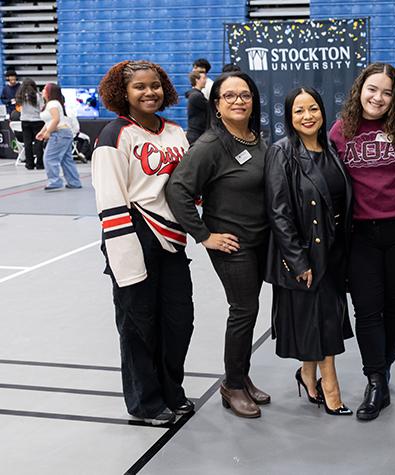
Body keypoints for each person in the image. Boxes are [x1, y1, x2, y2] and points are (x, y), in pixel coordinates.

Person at [91, 60, 194, 426]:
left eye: (155, 85)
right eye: (140, 87)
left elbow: (186, 188)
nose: (149, 92)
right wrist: (125, 255)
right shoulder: (114, 135)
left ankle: (171, 390)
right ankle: (146, 402)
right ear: (124, 93)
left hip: (172, 239)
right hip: (132, 232)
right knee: (138, 324)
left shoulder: (175, 132)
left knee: (179, 322)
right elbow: (110, 200)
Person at [167, 72, 270, 418]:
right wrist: (204, 235)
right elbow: (177, 190)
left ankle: (240, 375)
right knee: (244, 310)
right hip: (231, 244)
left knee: (249, 310)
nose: (239, 101)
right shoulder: (211, 144)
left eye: (245, 95)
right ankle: (233, 386)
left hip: (258, 239)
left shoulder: (257, 139)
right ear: (217, 105)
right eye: (230, 96)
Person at [329, 62, 395, 421]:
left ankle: (383, 368)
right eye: (372, 89)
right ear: (360, 90)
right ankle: (375, 380)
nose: (378, 97)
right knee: (367, 308)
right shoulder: (342, 130)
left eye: (387, 92)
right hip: (362, 234)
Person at [265, 86, 354, 416]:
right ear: (289, 117)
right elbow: (278, 212)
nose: (307, 116)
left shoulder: (332, 149)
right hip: (304, 254)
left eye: (313, 108)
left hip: (334, 253)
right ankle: (331, 387)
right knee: (323, 321)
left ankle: (307, 374)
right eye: (299, 111)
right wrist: (298, 260)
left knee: (321, 319)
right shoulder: (282, 152)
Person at [36, 83, 82, 191]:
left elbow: (56, 119)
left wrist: (47, 132)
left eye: (44, 89)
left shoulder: (52, 104)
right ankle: (74, 182)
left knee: (49, 158)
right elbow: (50, 120)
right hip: (64, 133)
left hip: (59, 133)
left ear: (49, 92)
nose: (42, 91)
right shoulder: (53, 104)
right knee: (66, 160)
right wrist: (42, 131)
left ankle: (55, 181)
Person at [15, 78, 45, 170]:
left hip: (25, 121)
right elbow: (42, 108)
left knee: (27, 143)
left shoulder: (20, 96)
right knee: (38, 142)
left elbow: (19, 108)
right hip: (37, 121)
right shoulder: (37, 96)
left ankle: (29, 164)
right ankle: (40, 164)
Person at [184, 70, 209, 144]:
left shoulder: (195, 94)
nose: (206, 81)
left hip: (197, 134)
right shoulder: (196, 96)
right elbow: (211, 108)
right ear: (197, 80)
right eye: (204, 78)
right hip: (197, 135)